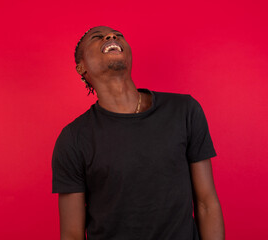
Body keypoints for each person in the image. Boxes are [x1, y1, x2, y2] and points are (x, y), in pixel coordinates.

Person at [52, 26, 224, 240]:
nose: (111, 37)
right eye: (97, 38)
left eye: (118, 35)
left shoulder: (184, 111)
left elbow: (206, 203)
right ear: (81, 67)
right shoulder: (73, 139)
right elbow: (71, 234)